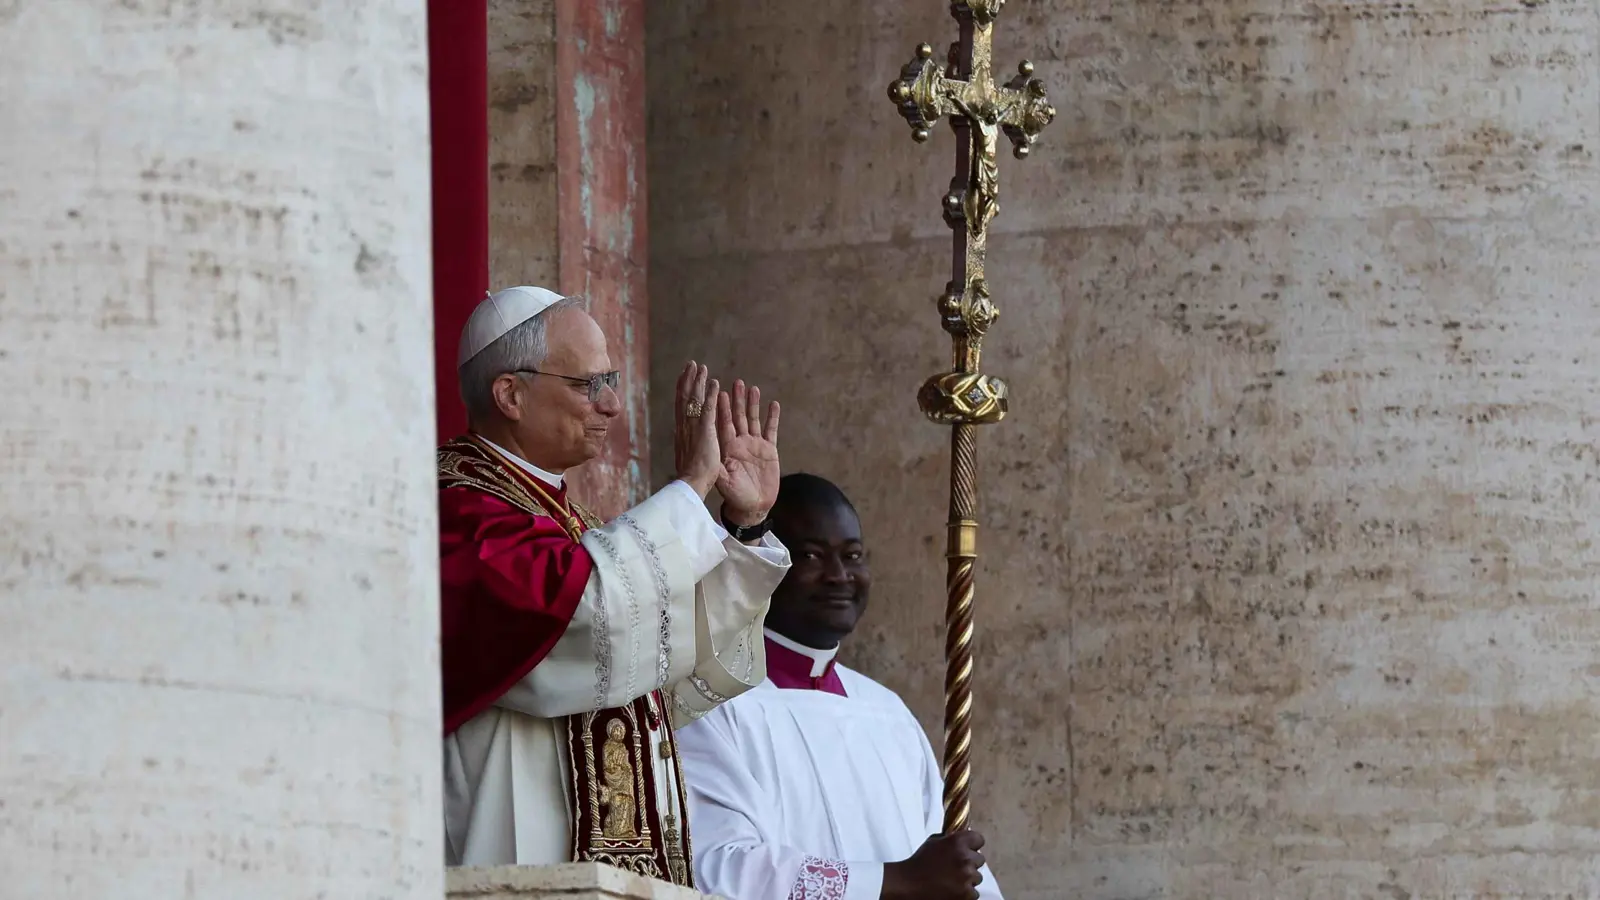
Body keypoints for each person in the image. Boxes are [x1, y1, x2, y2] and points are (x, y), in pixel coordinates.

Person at [439, 285, 790, 888]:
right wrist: (689, 487)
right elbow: (584, 617)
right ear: (510, 394)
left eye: (611, 381)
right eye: (586, 385)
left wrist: (744, 527)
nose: (610, 406)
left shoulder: (569, 525)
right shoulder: (460, 513)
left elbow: (664, 669)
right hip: (512, 856)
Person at [677, 473, 1003, 900]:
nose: (839, 575)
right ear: (765, 563)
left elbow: (951, 869)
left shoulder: (888, 714)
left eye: (852, 556)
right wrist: (895, 881)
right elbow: (720, 867)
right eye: (811, 556)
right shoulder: (710, 703)